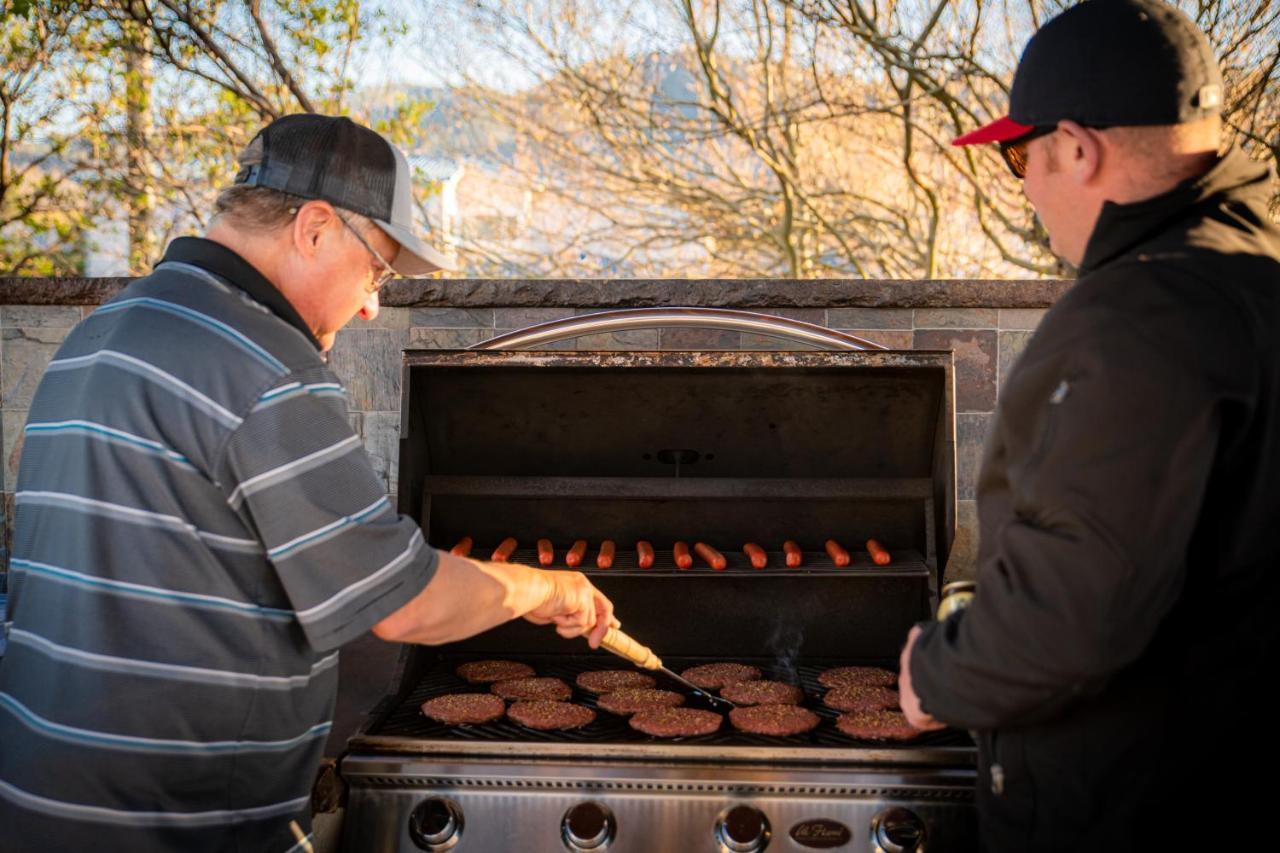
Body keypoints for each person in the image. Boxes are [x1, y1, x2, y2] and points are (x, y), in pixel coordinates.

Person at [0, 114, 617, 853]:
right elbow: (407, 604)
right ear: (316, 228)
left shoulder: (100, 333)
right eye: (378, 270)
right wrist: (549, 588)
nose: (370, 305)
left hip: (34, 803)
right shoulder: (265, 366)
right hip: (179, 825)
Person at [897, 1, 1280, 850]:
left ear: (1078, 147)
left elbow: (1073, 610)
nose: (1027, 187)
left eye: (1019, 156)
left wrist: (936, 670)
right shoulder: (1251, 274)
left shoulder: (1145, 318)